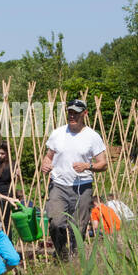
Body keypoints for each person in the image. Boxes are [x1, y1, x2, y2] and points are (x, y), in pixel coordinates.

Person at [41, 98, 107, 259]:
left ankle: (76, 257)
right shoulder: (57, 133)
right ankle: (61, 254)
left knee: (79, 227)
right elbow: (48, 157)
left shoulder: (92, 136)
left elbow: (103, 164)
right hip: (59, 185)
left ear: (84, 114)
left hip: (82, 187)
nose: (72, 116)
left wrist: (88, 166)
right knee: (56, 223)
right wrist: (45, 164)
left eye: (76, 113)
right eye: (70, 112)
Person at [0, 142, 17, 231]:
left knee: (5, 221)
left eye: (2, 154)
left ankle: (7, 241)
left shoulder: (11, 164)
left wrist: (16, 174)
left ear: (7, 154)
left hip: (6, 195)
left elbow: (13, 179)